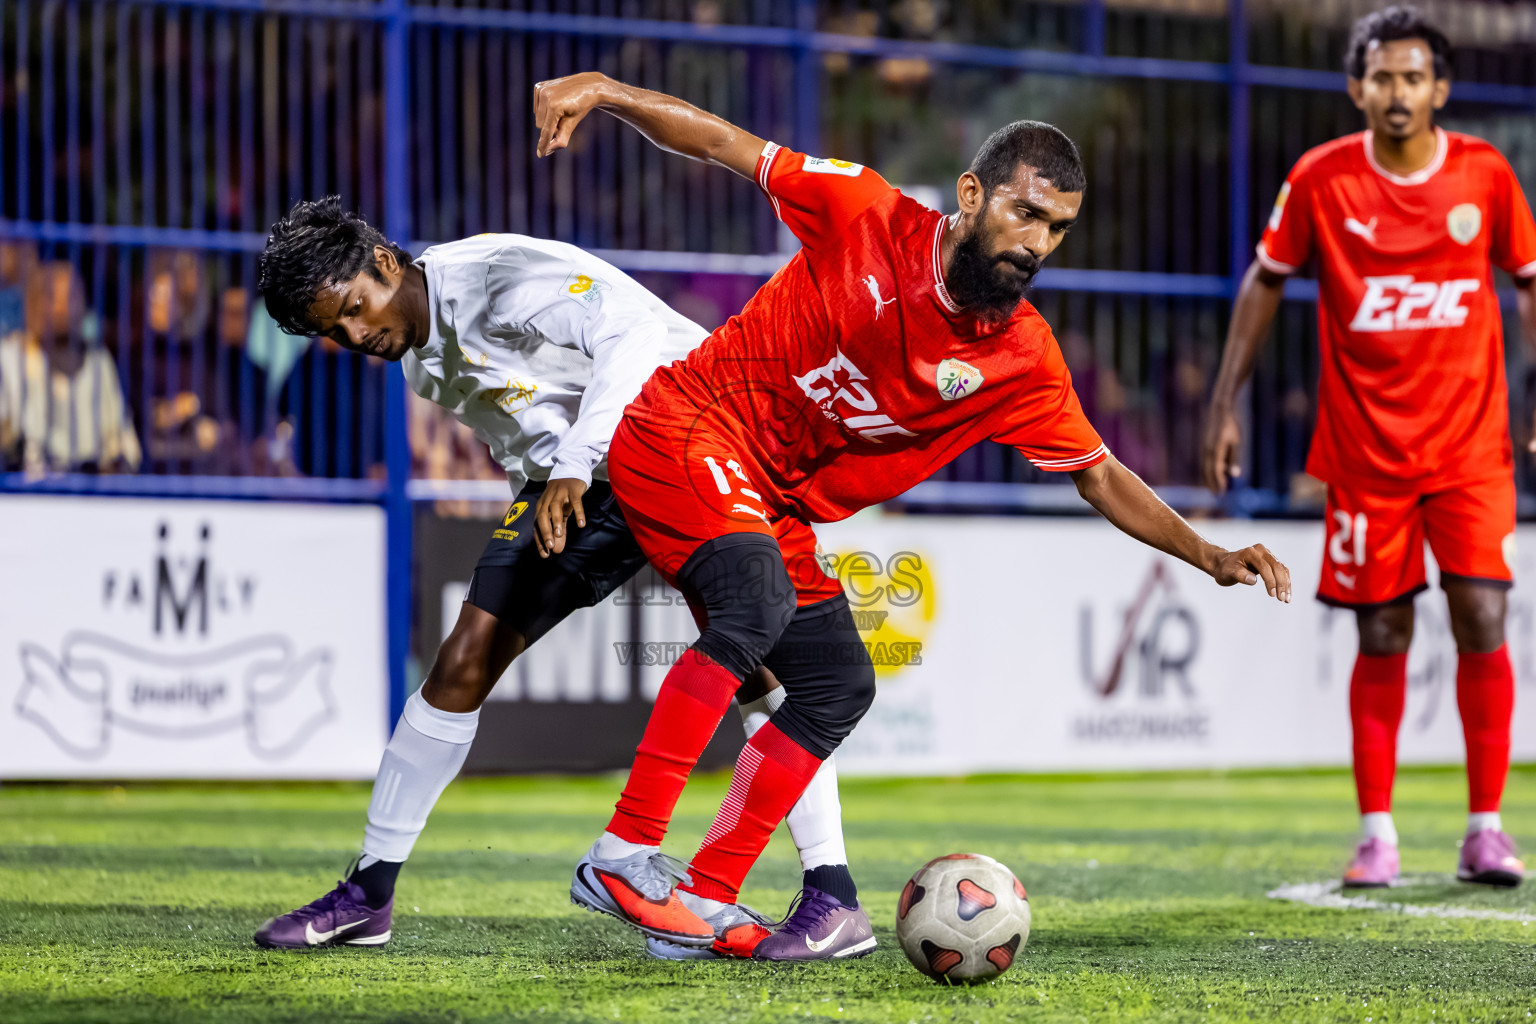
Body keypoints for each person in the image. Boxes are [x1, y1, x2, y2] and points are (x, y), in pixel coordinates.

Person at [532, 70, 1292, 959]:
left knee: (836, 686)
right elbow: (720, 142)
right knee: (755, 603)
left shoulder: (1022, 357)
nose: (1036, 242)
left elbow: (1099, 474)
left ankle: (704, 893)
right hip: (689, 427)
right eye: (1024, 213)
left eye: (1056, 228)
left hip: (767, 499)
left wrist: (1208, 554)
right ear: (972, 193)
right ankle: (624, 852)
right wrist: (607, 92)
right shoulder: (863, 212)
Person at [249, 197, 864, 957]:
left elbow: (632, 335)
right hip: (585, 480)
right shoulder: (418, 358)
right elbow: (530, 430)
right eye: (331, 331)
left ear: (382, 263)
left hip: (689, 433)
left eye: (351, 309)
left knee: (766, 667)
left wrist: (572, 464)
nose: (353, 335)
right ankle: (367, 894)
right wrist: (552, 481)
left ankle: (829, 894)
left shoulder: (497, 277)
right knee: (464, 659)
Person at [1201, 6, 1536, 889]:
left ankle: (1486, 828)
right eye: (1382, 77)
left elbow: (1530, 280)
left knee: (1484, 617)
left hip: (1471, 449)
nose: (1398, 92)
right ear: (1357, 88)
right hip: (1366, 455)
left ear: (1440, 89)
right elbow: (1264, 281)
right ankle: (1378, 833)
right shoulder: (1321, 180)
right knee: (1382, 631)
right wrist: (1224, 401)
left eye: (1414, 77)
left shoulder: (1485, 175)